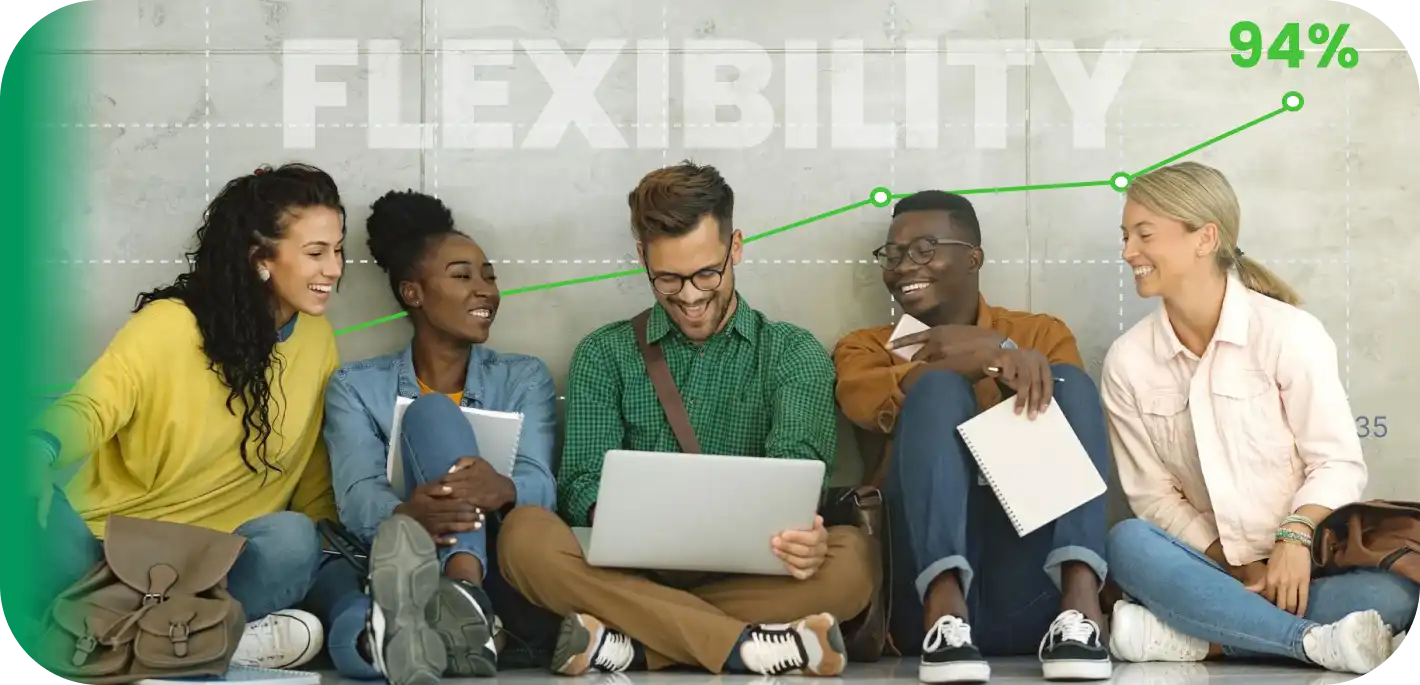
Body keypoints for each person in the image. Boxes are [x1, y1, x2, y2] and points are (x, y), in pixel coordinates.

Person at [494, 161, 876, 678]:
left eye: (706, 274)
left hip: (742, 575)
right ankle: (748, 647)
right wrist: (630, 517)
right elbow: (580, 485)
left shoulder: (792, 353)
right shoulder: (604, 354)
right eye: (667, 279)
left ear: (735, 247)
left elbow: (798, 472)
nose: (691, 297)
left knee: (851, 562)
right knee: (523, 536)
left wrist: (803, 537)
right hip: (627, 572)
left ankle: (635, 644)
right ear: (642, 259)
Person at [20, 163, 347, 671]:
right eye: (315, 253)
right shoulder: (168, 325)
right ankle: (201, 645)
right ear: (260, 259)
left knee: (293, 539)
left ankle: (102, 638)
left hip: (216, 573)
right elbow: (93, 404)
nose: (334, 268)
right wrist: (38, 452)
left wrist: (334, 541)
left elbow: (309, 464)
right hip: (103, 559)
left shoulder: (317, 341)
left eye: (337, 250)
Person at [1101, 161, 1417, 675]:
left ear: (1205, 238)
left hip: (1309, 566)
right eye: (1125, 236)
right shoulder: (1128, 360)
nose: (1127, 252)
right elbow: (1152, 497)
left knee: (1393, 597)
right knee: (1127, 543)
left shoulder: (1289, 333)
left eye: (1144, 235)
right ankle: (1310, 642)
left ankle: (1206, 637)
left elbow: (1336, 462)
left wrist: (1293, 537)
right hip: (1210, 568)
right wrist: (1237, 564)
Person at [832, 190, 1114, 683]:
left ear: (973, 257)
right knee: (937, 388)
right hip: (916, 598)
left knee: (1069, 384)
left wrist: (1001, 348)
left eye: (924, 248)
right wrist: (990, 358)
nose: (903, 266)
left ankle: (1082, 610)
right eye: (893, 254)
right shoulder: (865, 347)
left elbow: (1073, 430)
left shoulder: (1039, 334)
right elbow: (867, 403)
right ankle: (946, 609)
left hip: (1029, 585)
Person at [316, 190, 559, 684]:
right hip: (397, 561)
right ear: (413, 293)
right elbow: (357, 497)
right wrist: (407, 514)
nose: (486, 291)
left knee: (431, 417)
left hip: (499, 564)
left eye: (489, 275)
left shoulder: (524, 378)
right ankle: (465, 624)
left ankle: (464, 589)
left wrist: (504, 489)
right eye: (463, 276)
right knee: (355, 641)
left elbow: (542, 483)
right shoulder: (357, 387)